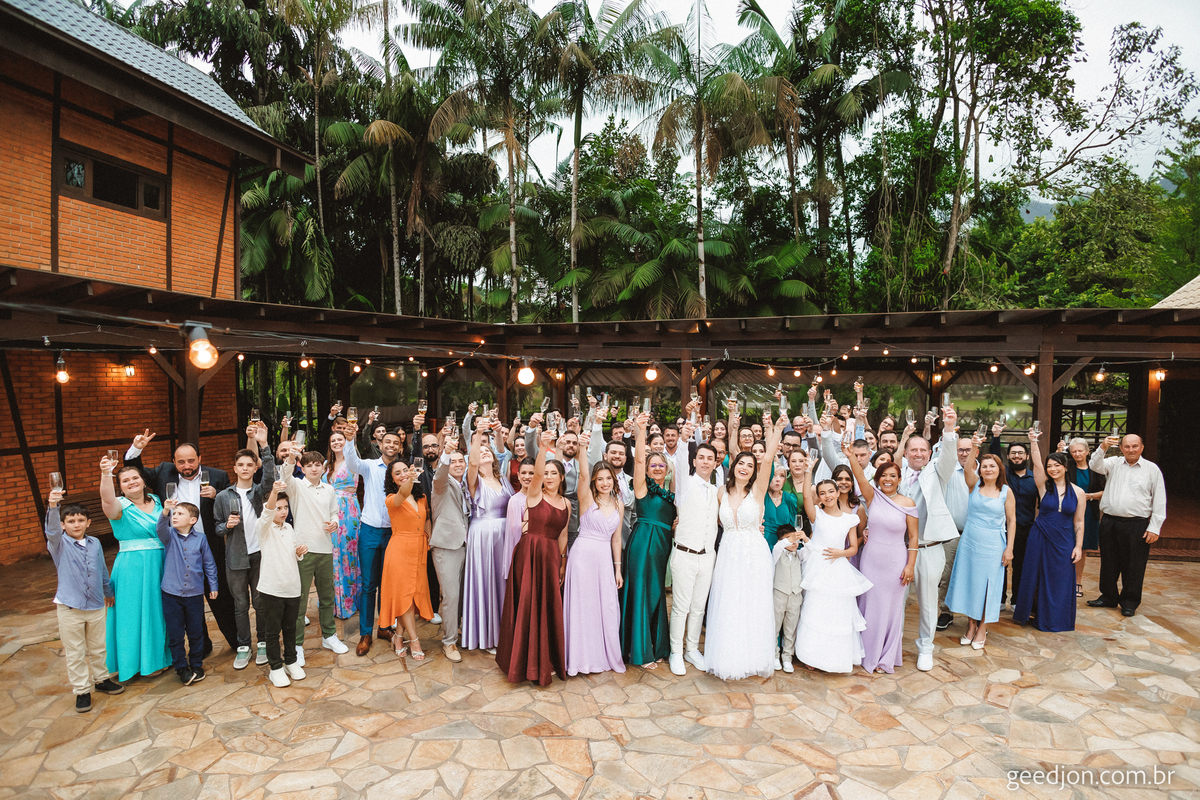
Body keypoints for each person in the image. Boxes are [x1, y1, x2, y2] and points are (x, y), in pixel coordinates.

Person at [125, 431, 235, 654]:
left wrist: (217, 494)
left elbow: (232, 501)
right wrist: (137, 449)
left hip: (209, 548)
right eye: (181, 462)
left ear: (199, 459)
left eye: (191, 460)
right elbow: (136, 472)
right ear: (174, 461)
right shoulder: (163, 472)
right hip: (177, 551)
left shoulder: (217, 476)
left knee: (221, 598)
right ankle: (202, 647)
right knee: (190, 604)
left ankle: (237, 642)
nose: (187, 466)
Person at [704, 411, 784, 680]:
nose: (745, 467)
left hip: (753, 553)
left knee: (752, 604)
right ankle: (728, 657)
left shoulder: (758, 491)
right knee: (729, 603)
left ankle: (754, 657)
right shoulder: (721, 492)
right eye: (741, 463)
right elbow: (712, 521)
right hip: (728, 552)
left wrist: (776, 430)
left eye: (750, 465)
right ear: (734, 465)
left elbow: (768, 459)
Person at [496, 429, 570, 686]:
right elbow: (536, 474)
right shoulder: (535, 494)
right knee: (527, 604)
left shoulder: (566, 503)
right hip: (528, 553)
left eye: (553, 473)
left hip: (551, 557)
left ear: (562, 477)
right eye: (545, 473)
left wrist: (562, 563)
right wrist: (543, 448)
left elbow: (563, 535)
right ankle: (521, 663)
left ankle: (545, 660)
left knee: (547, 607)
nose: (548, 477)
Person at [46, 489, 123, 712]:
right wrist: (53, 507)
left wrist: (108, 590)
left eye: (80, 520)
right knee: (76, 652)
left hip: (96, 604)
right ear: (63, 525)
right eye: (71, 521)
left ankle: (102, 679)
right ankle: (81, 690)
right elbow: (51, 531)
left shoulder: (95, 543)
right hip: (71, 608)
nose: (76, 525)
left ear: (88, 523)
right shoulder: (59, 544)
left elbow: (101, 568)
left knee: (98, 647)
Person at [844, 446, 918, 674]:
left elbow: (914, 537)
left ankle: (886, 657)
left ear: (899, 479)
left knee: (892, 610)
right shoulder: (872, 497)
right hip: (871, 561)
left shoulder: (908, 504)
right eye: (883, 475)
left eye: (892, 476)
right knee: (870, 607)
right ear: (877, 478)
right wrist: (850, 456)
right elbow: (858, 475)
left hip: (896, 562)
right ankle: (866, 654)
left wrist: (910, 565)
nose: (888, 479)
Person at [98, 454, 171, 682]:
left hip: (161, 563)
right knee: (132, 614)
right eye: (125, 480)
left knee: (158, 611)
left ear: (143, 480)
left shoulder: (157, 500)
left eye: (135, 478)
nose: (131, 482)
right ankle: (134, 663)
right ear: (120, 487)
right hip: (132, 567)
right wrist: (106, 474)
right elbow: (107, 501)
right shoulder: (119, 506)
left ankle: (158, 658)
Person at [794, 465, 873, 673]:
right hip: (817, 568)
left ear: (838, 493)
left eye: (831, 491)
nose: (827, 495)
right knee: (815, 610)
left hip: (838, 568)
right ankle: (811, 655)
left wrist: (840, 553)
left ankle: (834, 657)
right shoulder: (817, 515)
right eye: (822, 493)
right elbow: (806, 495)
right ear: (819, 497)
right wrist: (808, 471)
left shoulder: (850, 519)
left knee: (836, 613)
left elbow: (854, 548)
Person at [899, 408, 960, 672]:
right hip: (900, 549)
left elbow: (948, 456)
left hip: (929, 547)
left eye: (923, 450)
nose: (918, 454)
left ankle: (926, 648)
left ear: (929, 453)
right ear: (905, 453)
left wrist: (949, 428)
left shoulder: (938, 472)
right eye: (913, 450)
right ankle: (892, 645)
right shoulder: (895, 475)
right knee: (896, 601)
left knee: (927, 602)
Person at [213, 425, 275, 670]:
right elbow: (217, 528)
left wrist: (264, 446)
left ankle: (263, 642)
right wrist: (226, 526)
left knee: (260, 603)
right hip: (235, 558)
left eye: (250, 465)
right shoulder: (223, 496)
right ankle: (243, 646)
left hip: (259, 555)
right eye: (241, 465)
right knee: (240, 605)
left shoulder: (260, 492)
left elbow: (270, 477)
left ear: (254, 468)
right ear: (235, 468)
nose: (246, 468)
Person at [563, 432, 626, 676]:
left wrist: (618, 569)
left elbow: (616, 539)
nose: (604, 483)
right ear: (594, 482)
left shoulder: (619, 504)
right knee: (584, 608)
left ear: (613, 480)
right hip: (583, 557)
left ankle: (602, 654)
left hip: (604, 560)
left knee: (606, 607)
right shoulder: (587, 498)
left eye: (608, 478)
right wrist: (582, 448)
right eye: (600, 479)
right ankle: (580, 659)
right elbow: (583, 474)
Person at [944, 436, 1015, 648]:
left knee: (987, 587)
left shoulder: (1006, 492)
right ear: (980, 469)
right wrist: (975, 445)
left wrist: (1009, 548)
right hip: (970, 542)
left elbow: (1012, 520)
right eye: (984, 466)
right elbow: (967, 468)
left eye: (992, 466)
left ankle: (983, 627)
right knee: (970, 583)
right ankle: (971, 625)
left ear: (999, 469)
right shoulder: (974, 484)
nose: (988, 469)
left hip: (993, 544)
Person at [1086, 433, 1167, 617]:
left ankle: (1130, 602)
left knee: (1134, 565)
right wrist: (1103, 447)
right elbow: (1094, 465)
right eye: (1127, 446)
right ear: (1121, 448)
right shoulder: (1114, 463)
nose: (1131, 450)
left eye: (1135, 446)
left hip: (1137, 524)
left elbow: (1160, 499)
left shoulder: (1152, 469)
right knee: (1108, 562)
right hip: (1110, 521)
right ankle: (1108, 596)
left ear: (1142, 447)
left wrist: (1155, 527)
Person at [1013, 431, 1085, 633]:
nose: (1052, 469)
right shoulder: (1044, 487)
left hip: (1064, 539)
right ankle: (1034, 613)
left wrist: (1078, 546)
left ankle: (1056, 617)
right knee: (1035, 576)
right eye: (1050, 466)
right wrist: (1033, 442)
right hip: (1040, 536)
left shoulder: (1078, 492)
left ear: (1065, 467)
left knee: (1060, 577)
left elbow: (1079, 521)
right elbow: (1036, 464)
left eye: (1057, 465)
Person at [342, 429, 406, 655]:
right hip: (369, 530)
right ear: (380, 444)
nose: (391, 445)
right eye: (387, 441)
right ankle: (365, 633)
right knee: (369, 585)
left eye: (395, 442)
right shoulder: (369, 466)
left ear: (400, 446)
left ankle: (384, 627)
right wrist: (350, 439)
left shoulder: (402, 470)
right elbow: (352, 463)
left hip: (394, 532)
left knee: (388, 584)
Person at [668, 406, 721, 676]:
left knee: (699, 607)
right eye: (701, 457)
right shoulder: (685, 485)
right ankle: (675, 652)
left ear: (715, 463)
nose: (705, 462)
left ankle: (691, 649)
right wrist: (684, 438)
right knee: (681, 607)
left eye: (710, 458)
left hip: (707, 556)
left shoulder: (716, 490)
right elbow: (679, 463)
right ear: (694, 460)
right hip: (685, 555)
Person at [621, 413, 676, 670]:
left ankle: (657, 644)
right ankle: (641, 652)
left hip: (661, 547)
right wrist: (640, 430)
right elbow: (639, 459)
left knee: (656, 594)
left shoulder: (670, 494)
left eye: (661, 465)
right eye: (652, 465)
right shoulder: (642, 487)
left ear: (667, 469)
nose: (656, 468)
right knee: (642, 593)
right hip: (643, 544)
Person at [281, 444, 345, 665]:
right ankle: (297, 644)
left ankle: (329, 636)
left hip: (325, 549)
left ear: (323, 467)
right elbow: (285, 476)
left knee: (327, 596)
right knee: (300, 601)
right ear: (303, 468)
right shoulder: (296, 486)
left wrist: (335, 523)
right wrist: (291, 457)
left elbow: (334, 512)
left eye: (318, 465)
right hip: (303, 550)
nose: (314, 469)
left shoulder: (329, 489)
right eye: (309, 465)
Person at [462, 421, 514, 654]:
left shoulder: (503, 480)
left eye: (487, 450)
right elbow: (473, 462)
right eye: (480, 450)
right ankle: (488, 636)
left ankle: (505, 634)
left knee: (503, 582)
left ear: (493, 457)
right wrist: (479, 434)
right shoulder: (474, 480)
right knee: (486, 582)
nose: (484, 452)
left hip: (504, 535)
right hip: (482, 535)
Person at [156, 499, 218, 685]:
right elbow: (160, 528)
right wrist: (165, 511)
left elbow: (209, 563)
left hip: (194, 594)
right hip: (171, 594)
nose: (175, 516)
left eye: (180, 513)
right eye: (174, 514)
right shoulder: (169, 536)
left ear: (193, 520)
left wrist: (213, 585)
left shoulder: (201, 539)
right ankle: (181, 668)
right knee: (175, 634)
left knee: (196, 632)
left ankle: (196, 664)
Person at [254, 480, 308, 687]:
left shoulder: (289, 528)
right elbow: (267, 513)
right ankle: (275, 667)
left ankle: (291, 661)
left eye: (285, 507)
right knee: (272, 630)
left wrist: (298, 551)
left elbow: (292, 551)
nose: (283, 511)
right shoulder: (263, 527)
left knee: (290, 628)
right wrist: (274, 493)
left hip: (292, 587)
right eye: (278, 508)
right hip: (272, 589)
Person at [380, 460, 433, 661]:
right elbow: (403, 493)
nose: (402, 474)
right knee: (405, 597)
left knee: (411, 596)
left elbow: (426, 519)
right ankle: (414, 640)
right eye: (398, 473)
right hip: (399, 551)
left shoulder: (422, 498)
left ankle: (398, 637)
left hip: (419, 550)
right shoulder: (392, 499)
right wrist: (410, 478)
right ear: (392, 479)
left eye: (405, 470)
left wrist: (428, 542)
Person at [431, 424, 471, 663]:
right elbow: (439, 475)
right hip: (446, 546)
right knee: (451, 596)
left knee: (464, 594)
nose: (457, 464)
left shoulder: (466, 484)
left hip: (467, 545)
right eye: (453, 461)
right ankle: (449, 642)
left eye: (460, 461)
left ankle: (462, 630)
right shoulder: (441, 484)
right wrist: (445, 453)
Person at [989, 426, 1038, 607]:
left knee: (1021, 566)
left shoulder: (1034, 479)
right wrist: (996, 436)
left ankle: (1017, 600)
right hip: (1001, 528)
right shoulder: (1003, 475)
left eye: (1020, 453)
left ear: (1027, 456)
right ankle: (1000, 600)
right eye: (1013, 453)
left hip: (1026, 529)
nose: (1017, 456)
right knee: (1000, 565)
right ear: (1008, 457)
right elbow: (994, 456)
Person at [936, 433, 975, 632]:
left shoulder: (984, 471)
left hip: (975, 534)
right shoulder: (948, 470)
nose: (964, 453)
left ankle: (973, 616)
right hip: (951, 533)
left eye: (968, 449)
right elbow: (938, 456)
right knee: (947, 573)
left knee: (973, 575)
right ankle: (946, 611)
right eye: (960, 449)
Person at [325, 431, 363, 622]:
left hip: (348, 512)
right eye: (333, 440)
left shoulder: (353, 461)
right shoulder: (326, 465)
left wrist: (351, 439)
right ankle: (333, 601)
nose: (336, 442)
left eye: (339, 439)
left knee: (348, 554)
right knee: (332, 554)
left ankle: (349, 601)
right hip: (328, 512)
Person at [1065, 438, 1104, 597]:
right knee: (1066, 545)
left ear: (1087, 451)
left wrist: (1090, 496)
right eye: (1074, 451)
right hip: (1069, 510)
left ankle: (1077, 582)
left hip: (1088, 512)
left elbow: (1105, 491)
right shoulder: (1067, 466)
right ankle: (1064, 581)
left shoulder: (1096, 468)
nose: (1077, 454)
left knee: (1081, 547)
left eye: (1080, 451)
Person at [770, 523, 805, 673]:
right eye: (790, 540)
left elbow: (811, 550)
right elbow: (779, 546)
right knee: (775, 627)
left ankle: (787, 657)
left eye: (796, 540)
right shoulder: (777, 553)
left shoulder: (800, 555)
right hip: (779, 594)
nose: (794, 543)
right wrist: (791, 537)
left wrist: (804, 539)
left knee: (791, 630)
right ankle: (774, 656)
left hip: (795, 596)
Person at [763, 461, 798, 549]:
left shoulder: (789, 498)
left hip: (784, 545)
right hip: (763, 542)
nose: (778, 479)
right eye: (774, 475)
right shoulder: (761, 496)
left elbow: (793, 526)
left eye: (782, 476)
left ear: (784, 480)